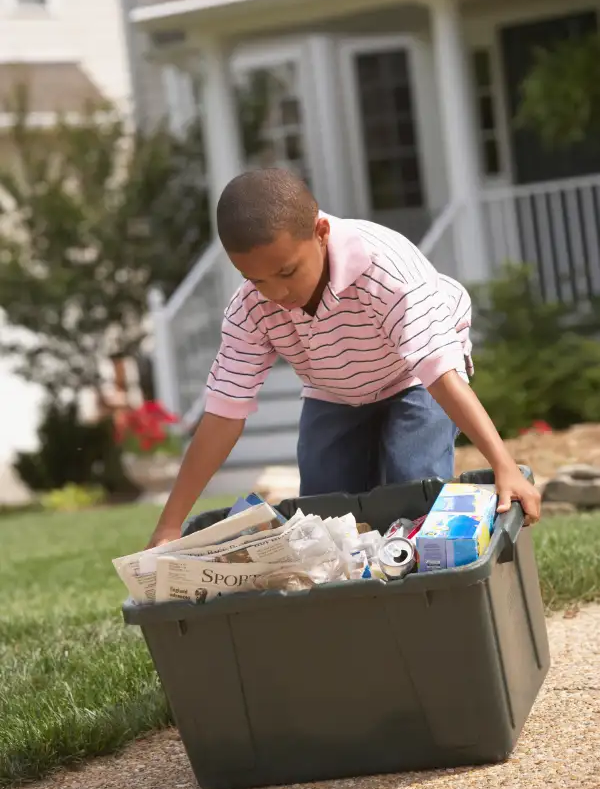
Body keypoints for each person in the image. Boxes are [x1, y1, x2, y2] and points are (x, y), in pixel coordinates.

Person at [147, 169, 540, 548]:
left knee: (411, 491)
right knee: (325, 521)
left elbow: (439, 373)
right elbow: (223, 414)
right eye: (256, 279)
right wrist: (169, 525)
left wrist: (503, 466)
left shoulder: (386, 270)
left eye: (287, 271)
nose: (277, 294)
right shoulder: (251, 307)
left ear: (321, 233)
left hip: (414, 376)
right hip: (333, 388)